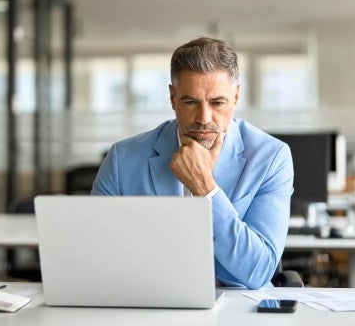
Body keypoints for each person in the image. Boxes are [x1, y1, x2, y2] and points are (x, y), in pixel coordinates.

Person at [91, 37, 294, 289]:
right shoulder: (123, 158)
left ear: (236, 97)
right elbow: (94, 255)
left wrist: (205, 188)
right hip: (146, 299)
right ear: (172, 97)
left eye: (217, 103)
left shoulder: (271, 158)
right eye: (190, 102)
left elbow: (258, 270)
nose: (203, 118)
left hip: (237, 306)